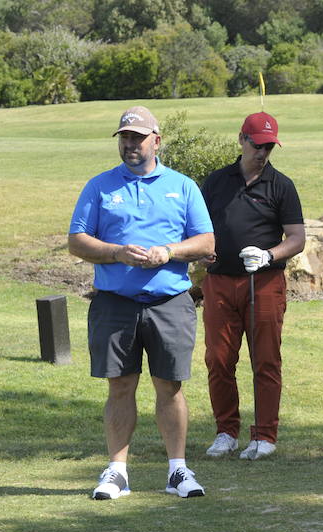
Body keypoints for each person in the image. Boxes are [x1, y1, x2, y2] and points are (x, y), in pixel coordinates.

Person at [69, 106, 215, 500]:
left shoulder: (183, 186)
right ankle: (117, 472)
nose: (130, 144)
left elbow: (205, 242)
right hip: (115, 302)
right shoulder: (99, 186)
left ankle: (177, 471)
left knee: (170, 386)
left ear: (157, 140)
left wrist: (168, 251)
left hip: (170, 301)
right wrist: (117, 253)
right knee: (120, 386)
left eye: (137, 137)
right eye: (124, 137)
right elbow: (77, 240)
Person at [201, 112, 305, 461]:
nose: (263, 153)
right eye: (257, 145)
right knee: (218, 359)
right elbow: (198, 229)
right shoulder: (216, 182)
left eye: (269, 147)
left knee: (265, 359)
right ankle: (226, 432)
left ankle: (265, 435)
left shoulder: (281, 185)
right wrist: (201, 251)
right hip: (218, 281)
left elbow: (297, 238)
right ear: (242, 140)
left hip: (264, 283)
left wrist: (268, 255)